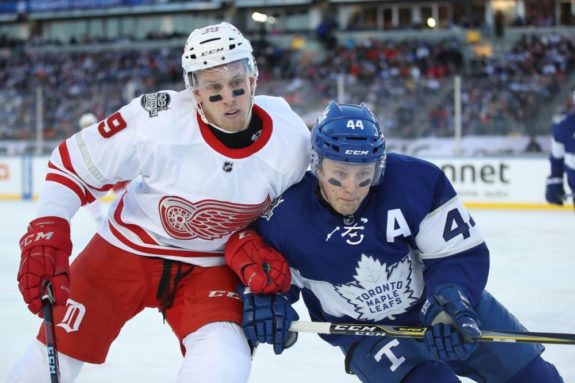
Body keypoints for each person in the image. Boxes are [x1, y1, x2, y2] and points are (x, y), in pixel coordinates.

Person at [7, 22, 310, 383]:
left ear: (254, 79)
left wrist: (278, 281)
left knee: (224, 365)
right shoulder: (158, 120)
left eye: (236, 83)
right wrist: (48, 230)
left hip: (209, 265)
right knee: (47, 361)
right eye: (213, 88)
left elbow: (299, 219)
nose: (228, 97)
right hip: (126, 248)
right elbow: (72, 166)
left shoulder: (291, 141)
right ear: (194, 92)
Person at [224, 101, 564, 382]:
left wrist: (450, 301)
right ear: (316, 163)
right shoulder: (286, 217)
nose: (350, 189)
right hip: (367, 334)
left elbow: (456, 254)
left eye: (363, 175)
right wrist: (269, 303)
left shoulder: (418, 182)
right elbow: (270, 275)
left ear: (380, 165)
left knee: (538, 378)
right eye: (338, 174)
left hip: (444, 308)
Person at [545, 103, 575, 210]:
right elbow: (557, 158)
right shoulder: (565, 126)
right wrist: (555, 182)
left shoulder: (564, 125)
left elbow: (557, 159)